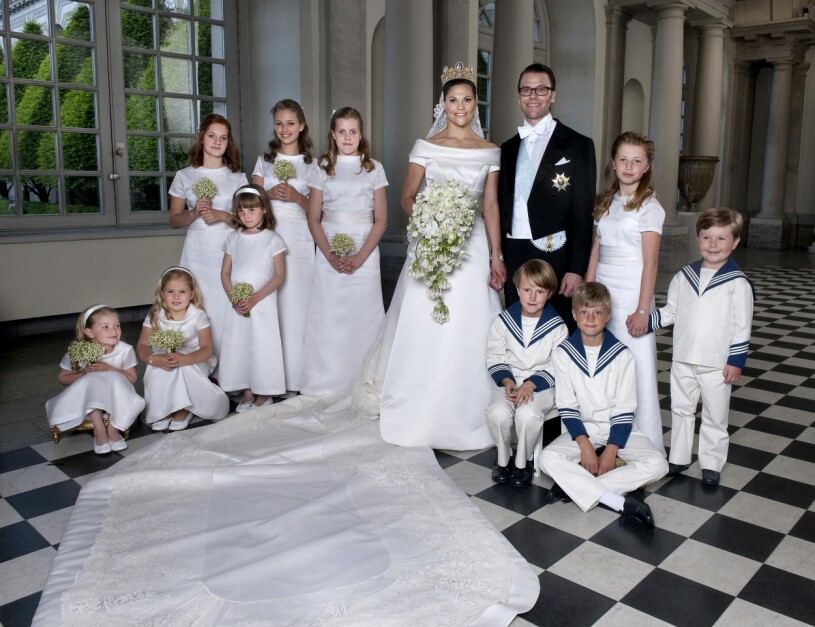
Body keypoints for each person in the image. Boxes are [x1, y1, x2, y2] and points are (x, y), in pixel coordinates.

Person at [378, 62, 506, 451]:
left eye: (466, 100)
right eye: (453, 100)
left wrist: (496, 256)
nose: (460, 106)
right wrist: (430, 220)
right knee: (427, 321)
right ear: (443, 104)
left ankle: (467, 409)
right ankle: (420, 403)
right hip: (431, 243)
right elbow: (407, 195)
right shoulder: (426, 146)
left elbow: (490, 206)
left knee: (469, 321)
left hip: (473, 245)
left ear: (475, 104)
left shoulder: (490, 151)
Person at [635, 208, 754, 486]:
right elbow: (671, 311)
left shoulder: (738, 283)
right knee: (681, 409)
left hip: (717, 363)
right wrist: (645, 322)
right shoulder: (684, 276)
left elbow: (742, 326)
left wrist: (735, 361)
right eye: (706, 237)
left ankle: (711, 462)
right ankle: (678, 457)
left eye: (721, 238)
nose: (713, 244)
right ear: (698, 238)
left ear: (735, 241)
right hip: (683, 358)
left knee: (715, 415)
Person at [540, 282, 668, 528]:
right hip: (582, 429)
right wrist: (585, 445)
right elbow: (567, 406)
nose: (590, 318)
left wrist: (611, 449)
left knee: (658, 464)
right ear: (574, 314)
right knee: (547, 458)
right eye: (584, 311)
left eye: (597, 312)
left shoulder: (622, 355)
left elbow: (625, 409)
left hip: (617, 428)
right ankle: (618, 501)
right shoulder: (563, 354)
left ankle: (572, 487)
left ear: (607, 316)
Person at [498, 63, 596, 328]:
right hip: (514, 250)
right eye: (526, 90)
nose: (533, 96)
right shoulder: (507, 148)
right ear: (519, 95)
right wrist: (498, 257)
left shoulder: (578, 145)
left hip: (554, 251)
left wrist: (576, 268)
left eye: (541, 89)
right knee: (518, 325)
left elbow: (583, 213)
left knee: (556, 327)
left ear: (553, 95)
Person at [299, 107, 387, 398]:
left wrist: (359, 257)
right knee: (330, 315)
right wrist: (330, 256)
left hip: (365, 250)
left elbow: (381, 220)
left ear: (361, 135)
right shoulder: (322, 167)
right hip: (329, 251)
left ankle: (365, 378)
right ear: (333, 135)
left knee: (362, 316)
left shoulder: (373, 168)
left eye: (353, 131)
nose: (347, 137)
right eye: (341, 131)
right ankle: (326, 380)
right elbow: (314, 218)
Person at [586, 132, 665, 453]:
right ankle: (603, 436)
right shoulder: (606, 201)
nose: (629, 166)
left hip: (633, 291)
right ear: (613, 163)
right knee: (602, 363)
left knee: (635, 365)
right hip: (604, 289)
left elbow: (651, 263)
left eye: (636, 161)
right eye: (623, 159)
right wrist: (587, 294)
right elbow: (596, 250)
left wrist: (643, 310)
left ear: (646, 167)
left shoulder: (650, 207)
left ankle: (640, 443)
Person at [169, 114, 248, 370]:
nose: (217, 142)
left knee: (225, 306)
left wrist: (223, 215)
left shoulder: (238, 178)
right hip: (196, 251)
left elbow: (248, 222)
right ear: (202, 138)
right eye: (212, 136)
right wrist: (194, 212)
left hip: (227, 251)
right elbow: (174, 220)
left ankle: (230, 369)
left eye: (223, 138)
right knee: (199, 306)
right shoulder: (185, 176)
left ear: (228, 142)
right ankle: (198, 368)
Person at [252, 100, 315, 395]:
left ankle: (298, 376)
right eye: (279, 123)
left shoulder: (314, 165)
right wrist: (268, 193)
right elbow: (249, 203)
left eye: (290, 123)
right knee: (269, 306)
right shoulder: (264, 162)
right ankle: (268, 377)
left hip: (299, 239)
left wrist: (297, 197)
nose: (284, 129)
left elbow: (320, 211)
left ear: (301, 125)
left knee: (296, 304)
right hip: (269, 236)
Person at [486, 260, 567, 487]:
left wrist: (531, 384)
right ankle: (504, 460)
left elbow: (558, 364)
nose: (532, 297)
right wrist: (507, 380)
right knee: (497, 413)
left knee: (527, 414)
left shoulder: (557, 327)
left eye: (540, 291)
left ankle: (525, 462)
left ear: (549, 293)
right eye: (527, 289)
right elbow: (494, 356)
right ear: (517, 289)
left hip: (541, 387)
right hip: (509, 382)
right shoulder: (503, 321)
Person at [219, 184, 287, 411]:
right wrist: (233, 298)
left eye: (251, 210)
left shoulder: (273, 239)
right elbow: (225, 272)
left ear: (264, 209)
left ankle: (264, 391)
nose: (246, 215)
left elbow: (279, 275)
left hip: (262, 303)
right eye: (241, 210)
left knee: (262, 344)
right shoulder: (233, 238)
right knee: (241, 344)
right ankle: (247, 389)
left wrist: (256, 298)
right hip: (238, 305)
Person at [136, 267, 229, 431]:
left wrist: (185, 359)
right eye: (170, 291)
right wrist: (153, 359)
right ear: (162, 293)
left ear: (192, 294)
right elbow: (142, 346)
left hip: (196, 358)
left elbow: (207, 349)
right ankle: (162, 408)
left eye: (182, 292)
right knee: (160, 366)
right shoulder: (155, 315)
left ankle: (183, 408)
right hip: (164, 356)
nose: (176, 296)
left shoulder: (198, 316)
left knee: (180, 366)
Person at [46, 305, 143, 455]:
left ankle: (112, 429)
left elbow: (131, 379)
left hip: (118, 396)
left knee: (111, 377)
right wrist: (83, 373)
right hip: (87, 399)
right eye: (105, 327)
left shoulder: (125, 350)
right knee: (93, 379)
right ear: (90, 333)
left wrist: (110, 369)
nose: (114, 330)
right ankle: (99, 430)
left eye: (117, 325)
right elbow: (62, 378)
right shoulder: (78, 351)